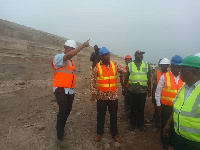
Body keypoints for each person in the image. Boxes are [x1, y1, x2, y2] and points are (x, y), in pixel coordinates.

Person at [52, 39, 90, 147]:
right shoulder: (59, 57)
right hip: (60, 89)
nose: (73, 51)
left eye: (74, 49)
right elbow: (67, 56)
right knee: (63, 110)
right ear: (66, 48)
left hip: (69, 90)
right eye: (72, 49)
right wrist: (82, 46)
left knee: (67, 110)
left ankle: (61, 127)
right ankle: (59, 136)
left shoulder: (71, 62)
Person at [163, 55, 200, 150]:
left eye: (183, 70)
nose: (180, 73)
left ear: (196, 72)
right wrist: (168, 124)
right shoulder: (184, 88)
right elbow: (177, 109)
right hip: (179, 137)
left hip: (195, 143)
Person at [90, 47, 126, 143]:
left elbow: (124, 71)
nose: (108, 56)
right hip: (101, 96)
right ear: (101, 57)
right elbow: (92, 80)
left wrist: (128, 70)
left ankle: (114, 133)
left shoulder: (114, 65)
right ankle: (99, 133)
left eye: (108, 54)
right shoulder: (97, 67)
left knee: (113, 115)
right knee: (101, 115)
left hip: (113, 96)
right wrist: (93, 92)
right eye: (105, 55)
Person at [155, 55, 183, 150]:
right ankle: (164, 141)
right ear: (171, 66)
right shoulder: (164, 76)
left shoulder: (182, 78)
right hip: (166, 106)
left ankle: (171, 140)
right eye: (175, 67)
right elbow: (158, 91)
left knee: (175, 125)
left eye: (179, 67)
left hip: (178, 107)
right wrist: (158, 104)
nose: (177, 69)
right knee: (165, 123)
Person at [124, 50, 151, 132]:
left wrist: (149, 88)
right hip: (132, 90)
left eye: (142, 55)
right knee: (132, 107)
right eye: (140, 54)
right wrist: (124, 87)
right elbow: (127, 77)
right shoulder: (130, 65)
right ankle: (132, 124)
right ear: (135, 55)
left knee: (141, 108)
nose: (141, 56)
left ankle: (140, 124)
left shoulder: (146, 65)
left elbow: (148, 78)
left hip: (142, 91)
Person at [151, 58, 170, 132]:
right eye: (163, 65)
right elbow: (155, 86)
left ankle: (164, 125)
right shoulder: (157, 73)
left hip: (167, 97)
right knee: (157, 110)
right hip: (158, 95)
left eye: (166, 65)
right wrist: (154, 96)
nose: (164, 67)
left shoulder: (170, 74)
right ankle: (157, 125)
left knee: (165, 112)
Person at [120, 55, 132, 120]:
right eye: (127, 60)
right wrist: (123, 87)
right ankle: (127, 115)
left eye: (129, 60)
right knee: (126, 102)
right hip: (126, 87)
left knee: (132, 102)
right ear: (125, 61)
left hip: (132, 88)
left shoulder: (133, 69)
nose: (128, 61)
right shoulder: (123, 69)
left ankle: (131, 115)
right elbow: (121, 79)